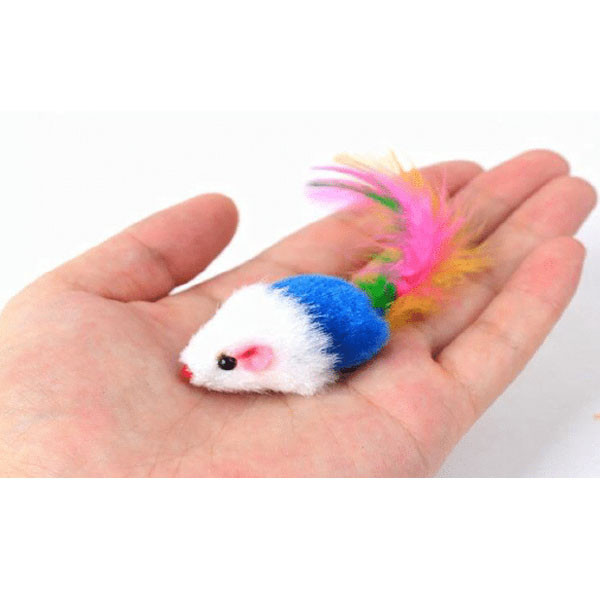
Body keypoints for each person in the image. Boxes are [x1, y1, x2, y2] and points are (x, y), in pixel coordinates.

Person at [0, 150, 595, 477]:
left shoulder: (299, 356)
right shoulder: (242, 327)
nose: (191, 368)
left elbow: (309, 376)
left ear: (256, 359)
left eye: (224, 363)